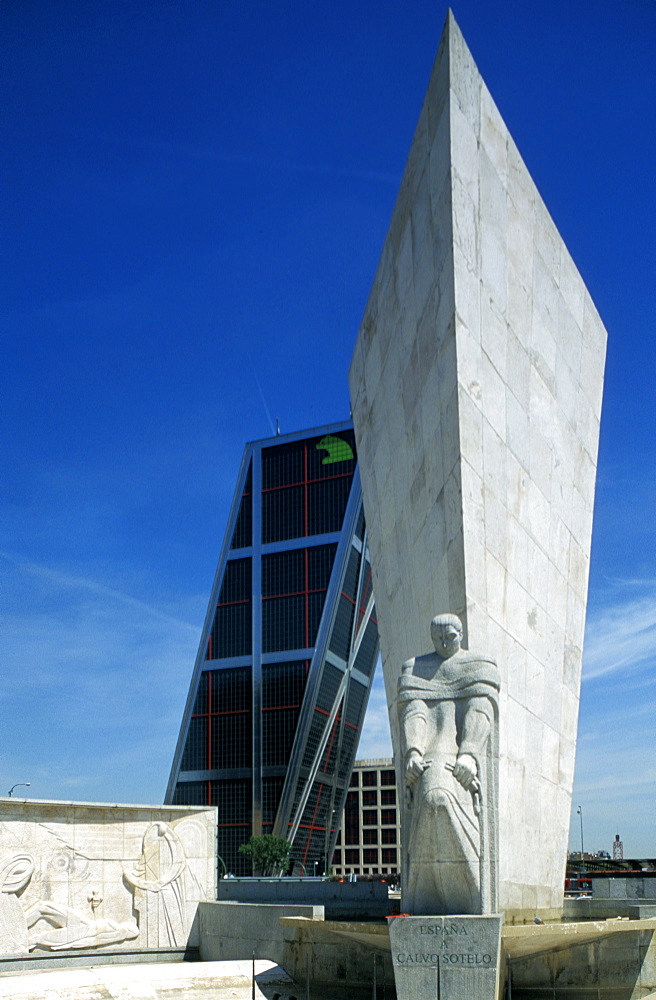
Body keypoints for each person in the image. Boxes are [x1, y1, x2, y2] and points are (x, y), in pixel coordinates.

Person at [397, 613, 500, 915]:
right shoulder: (417, 668)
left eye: (450, 637)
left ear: (461, 634)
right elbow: (414, 712)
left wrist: (469, 752)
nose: (444, 643)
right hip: (431, 755)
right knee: (432, 795)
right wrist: (413, 752)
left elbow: (479, 711)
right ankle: (424, 892)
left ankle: (470, 893)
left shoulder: (476, 665)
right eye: (437, 638)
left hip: (459, 757)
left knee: (440, 796)